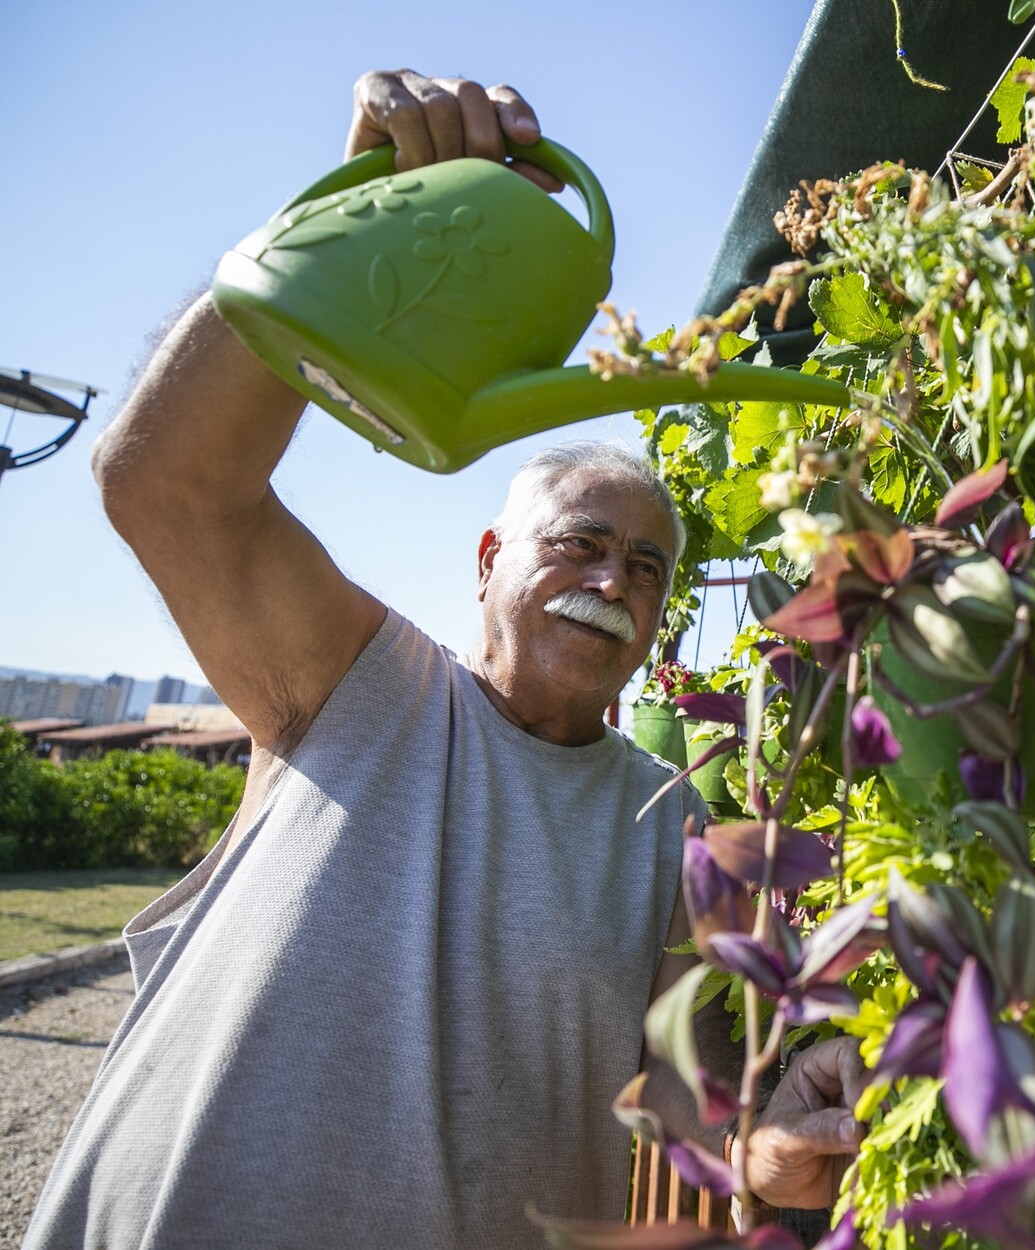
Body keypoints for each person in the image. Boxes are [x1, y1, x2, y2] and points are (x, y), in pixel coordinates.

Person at [24, 70, 860, 1250]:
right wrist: (344, 222)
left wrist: (767, 1157)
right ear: (485, 559)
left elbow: (682, 1109)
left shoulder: (671, 830)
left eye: (647, 565)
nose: (614, 579)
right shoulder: (358, 683)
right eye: (579, 543)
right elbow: (163, 481)